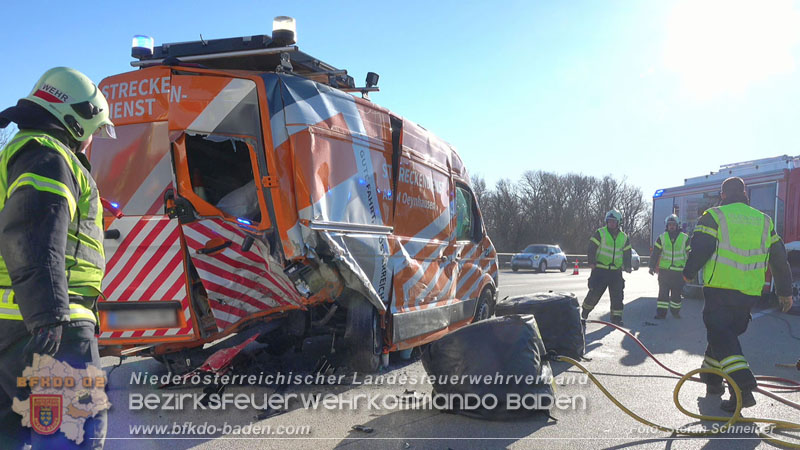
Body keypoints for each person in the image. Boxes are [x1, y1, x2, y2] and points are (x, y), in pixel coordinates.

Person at [0, 67, 115, 448]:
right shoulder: (48, 156)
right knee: (73, 436)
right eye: (94, 131)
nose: (91, 141)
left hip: (11, 327)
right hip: (51, 328)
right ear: (76, 120)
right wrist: (48, 316)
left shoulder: (15, 155)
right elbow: (33, 231)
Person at [683, 177, 793, 412]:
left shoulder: (715, 215)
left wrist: (688, 273)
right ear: (745, 194)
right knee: (724, 335)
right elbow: (779, 258)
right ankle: (712, 380)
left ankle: (742, 388)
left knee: (721, 335)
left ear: (723, 195)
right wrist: (785, 292)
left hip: (721, 288)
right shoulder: (764, 221)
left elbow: (701, 247)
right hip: (750, 292)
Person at [581, 209, 632, 326]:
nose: (611, 223)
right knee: (594, 294)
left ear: (618, 222)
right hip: (600, 270)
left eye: (614, 221)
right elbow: (591, 247)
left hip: (616, 272)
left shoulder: (624, 237)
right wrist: (591, 261)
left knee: (617, 297)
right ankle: (584, 313)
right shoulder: (600, 233)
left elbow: (627, 253)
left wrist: (628, 265)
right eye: (609, 221)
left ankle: (616, 318)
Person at [649, 214, 690, 319]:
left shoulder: (685, 238)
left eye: (673, 225)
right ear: (667, 226)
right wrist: (651, 266)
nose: (671, 226)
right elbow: (655, 253)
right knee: (663, 294)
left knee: (676, 294)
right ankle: (661, 313)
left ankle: (675, 312)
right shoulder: (661, 238)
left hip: (678, 271)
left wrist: (690, 269)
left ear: (677, 226)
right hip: (665, 271)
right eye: (670, 224)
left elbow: (690, 254)